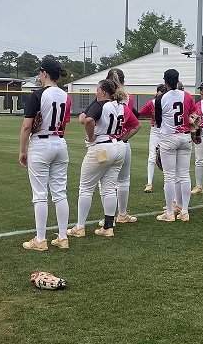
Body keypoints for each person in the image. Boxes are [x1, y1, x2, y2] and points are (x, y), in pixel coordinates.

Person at [19, 58, 72, 251]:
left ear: (44, 73)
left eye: (40, 73)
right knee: (59, 192)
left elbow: (27, 126)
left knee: (40, 193)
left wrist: (22, 151)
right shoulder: (66, 96)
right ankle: (63, 237)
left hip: (41, 144)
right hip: (60, 142)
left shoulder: (39, 94)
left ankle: (40, 240)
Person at [68, 78, 128, 238]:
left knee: (86, 188)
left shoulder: (100, 104)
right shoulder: (120, 105)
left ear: (103, 92)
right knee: (108, 187)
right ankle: (108, 227)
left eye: (97, 89)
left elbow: (88, 120)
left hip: (102, 147)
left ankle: (79, 227)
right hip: (118, 146)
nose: (96, 92)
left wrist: (90, 136)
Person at [155, 68, 196, 222]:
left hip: (169, 137)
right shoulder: (187, 95)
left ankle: (170, 212)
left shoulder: (161, 98)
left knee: (169, 176)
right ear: (178, 80)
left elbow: (158, 122)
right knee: (184, 174)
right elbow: (194, 115)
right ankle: (184, 211)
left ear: (165, 81)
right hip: (185, 136)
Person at [105, 68, 140, 222]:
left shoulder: (104, 97)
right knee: (124, 180)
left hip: (105, 143)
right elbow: (134, 123)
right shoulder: (128, 98)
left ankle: (109, 218)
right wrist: (124, 137)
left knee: (106, 182)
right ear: (123, 82)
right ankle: (122, 214)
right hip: (122, 142)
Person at [137, 83, 166, 192]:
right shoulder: (152, 103)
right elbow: (139, 113)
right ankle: (149, 183)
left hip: (167, 130)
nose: (163, 93)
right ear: (157, 92)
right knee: (152, 156)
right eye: (161, 91)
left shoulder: (168, 102)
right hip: (155, 130)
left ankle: (167, 182)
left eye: (164, 91)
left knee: (166, 156)